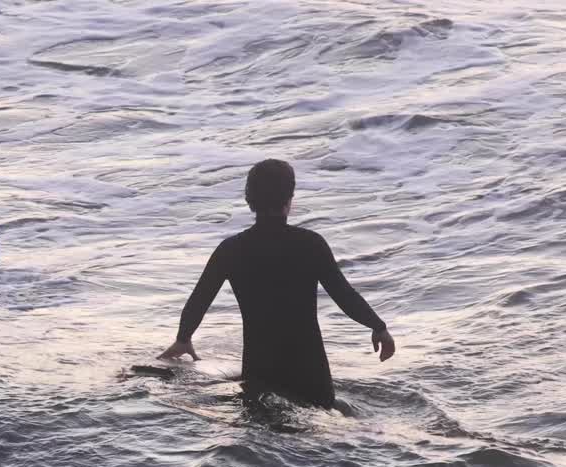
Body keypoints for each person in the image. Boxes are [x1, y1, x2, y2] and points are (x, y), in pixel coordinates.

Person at [159, 159, 395, 408]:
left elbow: (200, 298)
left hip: (260, 371)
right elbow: (344, 294)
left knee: (263, 428)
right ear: (289, 199)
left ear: (249, 200)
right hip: (310, 372)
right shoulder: (310, 244)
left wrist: (184, 337)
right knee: (322, 426)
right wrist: (378, 326)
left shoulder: (231, 250)